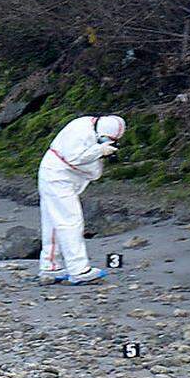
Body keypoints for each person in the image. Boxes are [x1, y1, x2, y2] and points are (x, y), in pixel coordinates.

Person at [38, 115, 126, 284]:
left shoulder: (90, 127)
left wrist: (101, 149)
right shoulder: (80, 131)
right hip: (58, 177)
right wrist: (100, 150)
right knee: (70, 221)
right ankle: (79, 270)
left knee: (53, 222)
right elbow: (74, 157)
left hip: (61, 176)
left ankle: (50, 267)